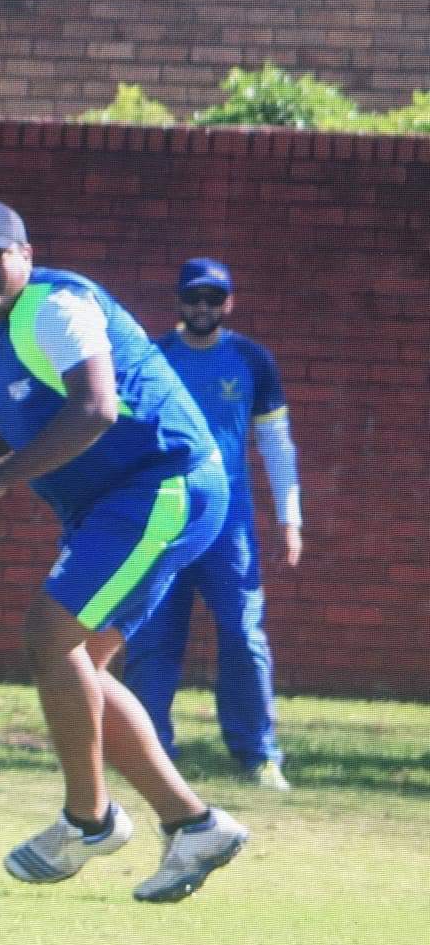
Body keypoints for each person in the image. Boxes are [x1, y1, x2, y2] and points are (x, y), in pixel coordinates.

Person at [0, 200, 248, 904]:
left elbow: (94, 407)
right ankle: (194, 824)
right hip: (110, 505)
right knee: (80, 668)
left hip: (163, 482)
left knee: (50, 637)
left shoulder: (56, 306)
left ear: (26, 255)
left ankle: (89, 821)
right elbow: (26, 424)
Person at [122, 257, 302, 790]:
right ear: (179, 301)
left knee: (243, 635)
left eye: (213, 298)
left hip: (230, 528)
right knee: (152, 637)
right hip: (163, 520)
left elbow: (276, 442)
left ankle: (258, 755)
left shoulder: (252, 360)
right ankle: (149, 751)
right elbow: (124, 438)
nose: (203, 307)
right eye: (193, 297)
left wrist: (290, 518)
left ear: (229, 303)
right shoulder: (152, 358)